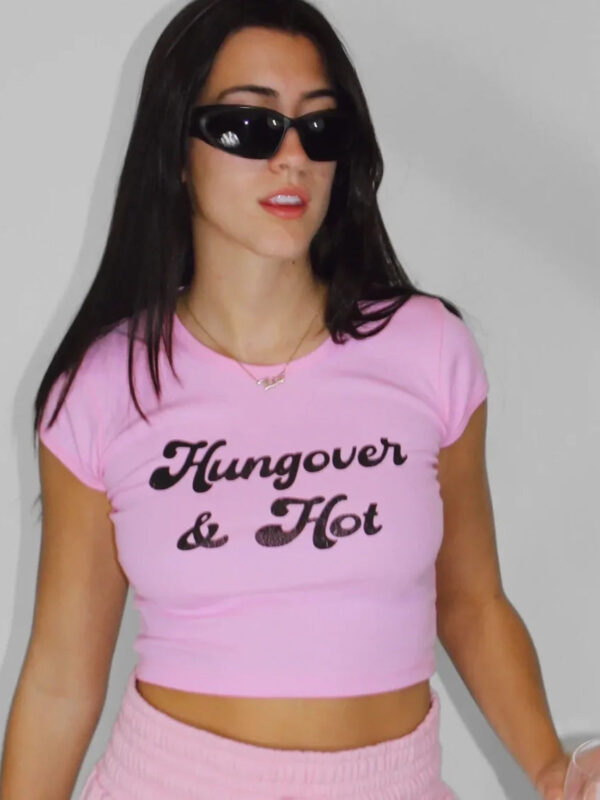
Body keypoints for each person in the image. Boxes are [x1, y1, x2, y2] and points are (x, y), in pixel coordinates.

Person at [1, 1, 570, 799]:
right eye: (250, 127)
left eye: (320, 128)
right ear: (177, 151)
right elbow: (62, 678)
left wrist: (551, 768)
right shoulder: (103, 389)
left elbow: (472, 603)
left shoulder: (429, 351)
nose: (293, 158)